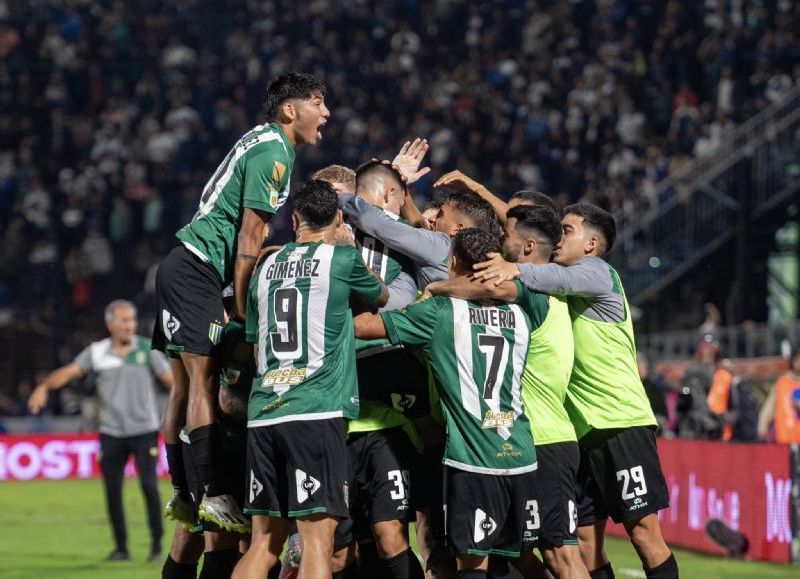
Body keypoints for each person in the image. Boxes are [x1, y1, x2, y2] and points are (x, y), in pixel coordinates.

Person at [154, 72, 330, 532]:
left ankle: (182, 490)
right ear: (290, 110)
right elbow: (251, 234)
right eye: (317, 102)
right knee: (203, 378)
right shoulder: (276, 152)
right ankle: (212, 492)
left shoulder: (257, 138)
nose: (325, 113)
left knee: (184, 382)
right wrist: (241, 302)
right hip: (197, 269)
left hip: (181, 264)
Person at [471, 203, 678, 579]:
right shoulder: (558, 279)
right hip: (579, 431)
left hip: (620, 423)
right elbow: (530, 235)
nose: (560, 236)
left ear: (591, 243)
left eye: (567, 230)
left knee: (643, 533)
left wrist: (516, 267)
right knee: (584, 545)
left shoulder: (599, 274)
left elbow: (553, 273)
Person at [354, 228, 545, 579]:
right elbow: (507, 288)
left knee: (472, 565)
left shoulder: (437, 314)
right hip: (522, 456)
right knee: (523, 561)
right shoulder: (528, 307)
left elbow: (363, 327)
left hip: (473, 461)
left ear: (453, 261)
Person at [233, 180, 388, 579]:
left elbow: (254, 344)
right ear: (339, 219)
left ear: (294, 218)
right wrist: (349, 247)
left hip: (264, 411)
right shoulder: (340, 260)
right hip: (315, 413)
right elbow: (381, 296)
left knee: (264, 543)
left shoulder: (265, 266)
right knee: (318, 543)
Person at [426, 205, 589, 579]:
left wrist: (436, 287)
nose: (500, 243)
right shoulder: (543, 292)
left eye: (508, 237)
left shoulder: (533, 294)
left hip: (541, 442)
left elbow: (487, 284)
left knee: (561, 556)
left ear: (529, 248)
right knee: (518, 556)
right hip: (528, 441)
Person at [28, 300, 173, 562]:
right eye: (124, 320)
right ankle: (121, 549)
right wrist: (44, 387)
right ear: (110, 324)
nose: (131, 325)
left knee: (150, 488)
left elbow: (173, 383)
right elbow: (69, 373)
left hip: (144, 431)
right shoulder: (97, 352)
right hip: (111, 433)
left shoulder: (147, 349)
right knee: (112, 491)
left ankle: (156, 547)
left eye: (132, 319)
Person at [433, 170, 557, 223]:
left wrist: (478, 189)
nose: (503, 217)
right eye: (506, 208)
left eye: (518, 212)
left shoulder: (557, 272)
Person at [758, 347, 800, 443]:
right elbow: (770, 407)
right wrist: (762, 427)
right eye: (797, 358)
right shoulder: (782, 382)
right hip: (784, 439)